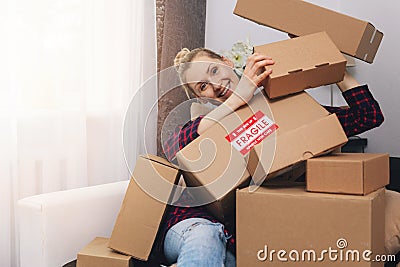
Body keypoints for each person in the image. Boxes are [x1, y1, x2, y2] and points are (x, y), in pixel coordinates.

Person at [160, 47, 389, 267]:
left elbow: (367, 115)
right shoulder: (201, 127)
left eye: (214, 70)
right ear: (200, 99)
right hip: (193, 223)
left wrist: (333, 65)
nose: (215, 84)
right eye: (203, 86)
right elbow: (174, 150)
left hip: (236, 241)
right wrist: (239, 97)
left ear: (226, 62)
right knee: (206, 239)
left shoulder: (283, 108)